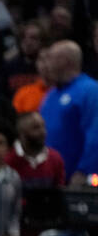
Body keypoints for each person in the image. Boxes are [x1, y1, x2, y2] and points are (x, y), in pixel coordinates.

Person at [39, 40, 98, 184]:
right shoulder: (50, 95)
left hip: (79, 179)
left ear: (65, 61)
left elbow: (95, 134)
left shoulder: (90, 91)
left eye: (50, 59)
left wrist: (84, 171)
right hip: (49, 178)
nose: (46, 66)